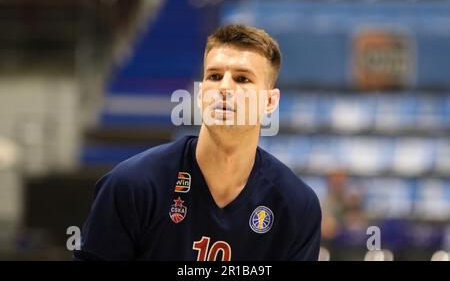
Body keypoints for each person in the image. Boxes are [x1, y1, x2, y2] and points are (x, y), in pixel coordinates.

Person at [74, 24, 322, 261]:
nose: (224, 87)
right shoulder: (132, 185)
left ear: (270, 101)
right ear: (202, 93)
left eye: (242, 79)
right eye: (214, 76)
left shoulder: (297, 206)